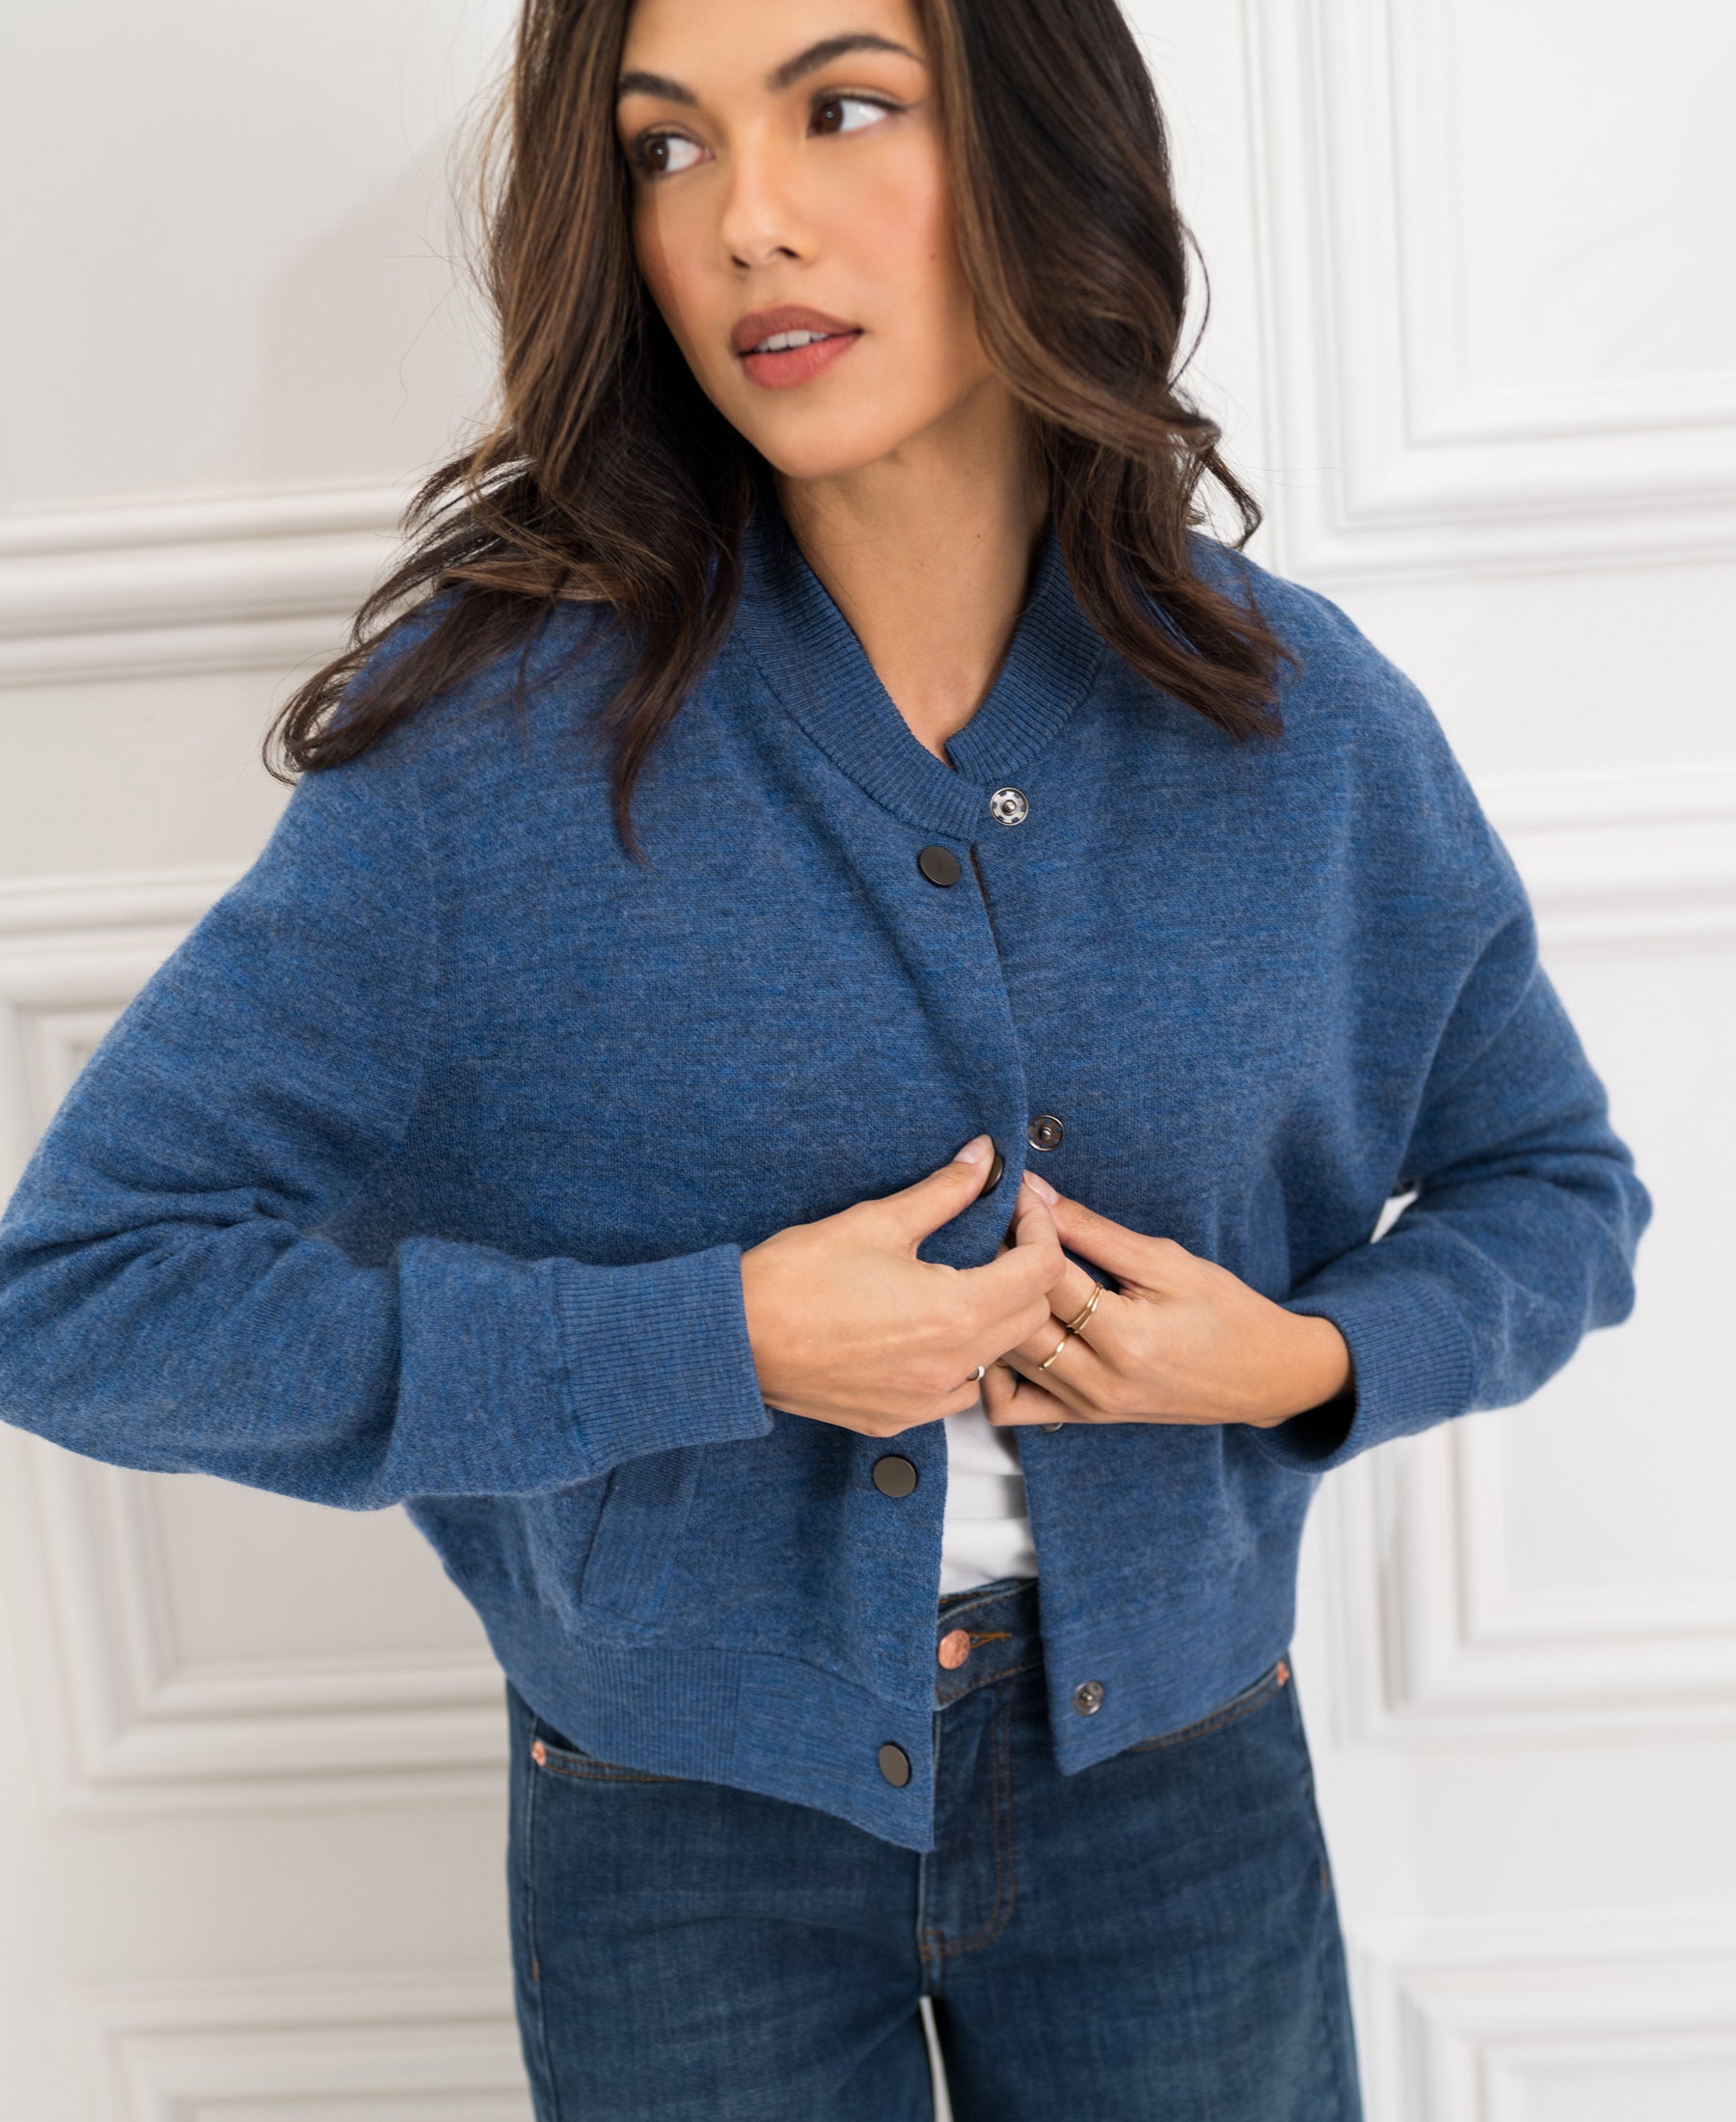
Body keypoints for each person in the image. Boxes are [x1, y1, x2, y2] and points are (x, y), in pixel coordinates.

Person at [0, 0, 1651, 2115]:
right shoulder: (485, 759)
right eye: (666, 149)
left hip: (1181, 1782)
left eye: (844, 108)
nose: (746, 222)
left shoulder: (1296, 721)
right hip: (673, 1816)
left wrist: (1303, 1363)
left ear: (1042, 150)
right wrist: (711, 1342)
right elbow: (79, 1296)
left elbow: (1556, 1189)